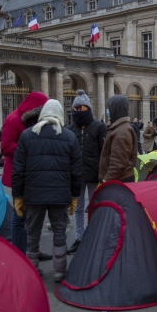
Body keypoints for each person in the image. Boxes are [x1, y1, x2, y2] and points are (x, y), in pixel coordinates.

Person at [12, 100, 82, 282]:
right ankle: (59, 270)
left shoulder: (27, 135)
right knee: (59, 230)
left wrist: (17, 196)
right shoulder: (69, 136)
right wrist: (75, 195)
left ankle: (33, 268)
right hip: (60, 194)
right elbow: (76, 170)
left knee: (32, 231)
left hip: (33, 195)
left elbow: (18, 169)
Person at [1, 91, 50, 257]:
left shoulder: (33, 119)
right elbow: (6, 147)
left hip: (33, 174)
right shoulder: (13, 120)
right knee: (20, 215)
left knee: (33, 215)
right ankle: (20, 253)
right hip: (19, 174)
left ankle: (32, 250)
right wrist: (30, 149)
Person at [64, 90, 107, 255]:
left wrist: (103, 173)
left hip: (94, 173)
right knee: (78, 207)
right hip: (76, 174)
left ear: (88, 108)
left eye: (81, 108)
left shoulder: (98, 127)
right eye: (75, 108)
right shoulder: (69, 129)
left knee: (95, 205)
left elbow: (104, 152)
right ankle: (80, 237)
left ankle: (94, 235)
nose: (77, 111)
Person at [99, 95, 138, 183]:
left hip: (119, 180)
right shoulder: (118, 128)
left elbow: (117, 163)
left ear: (116, 109)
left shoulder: (121, 132)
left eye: (109, 108)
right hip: (120, 178)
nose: (108, 110)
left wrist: (106, 181)